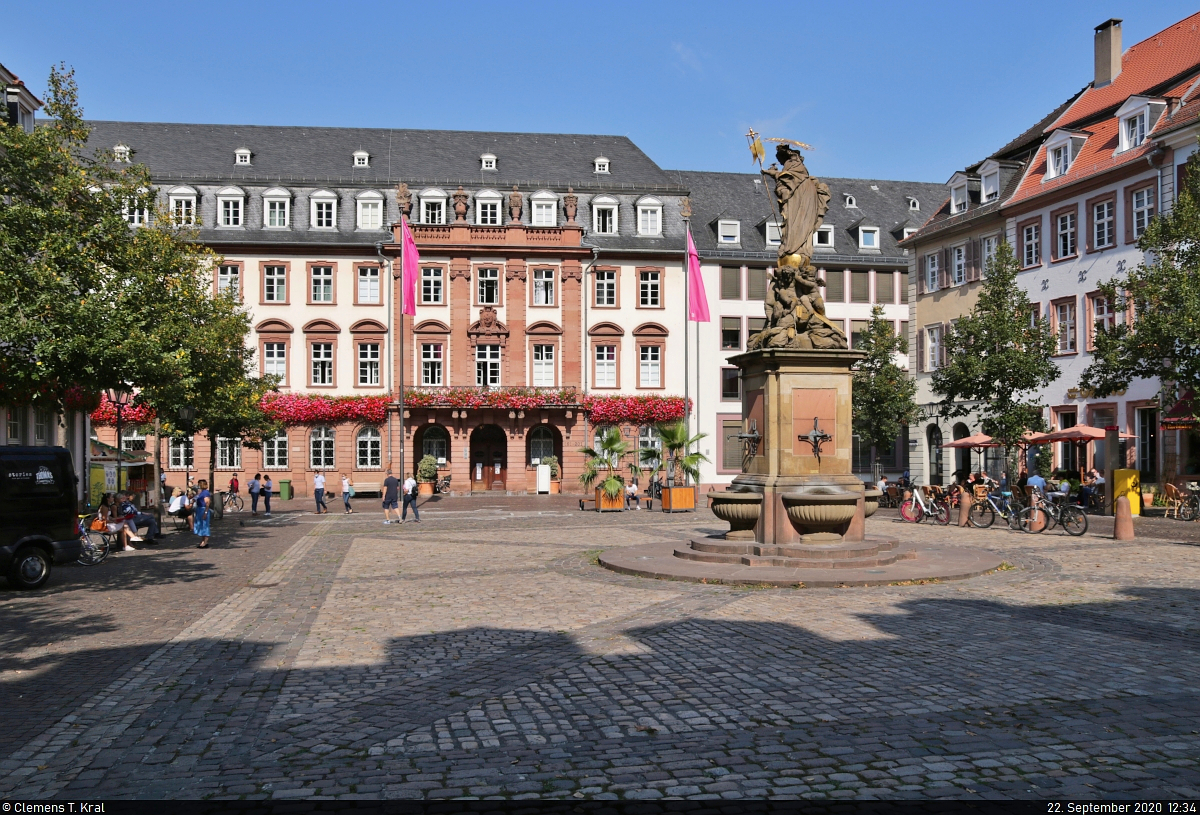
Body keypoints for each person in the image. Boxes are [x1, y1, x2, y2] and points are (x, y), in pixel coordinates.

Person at [193, 479, 212, 548]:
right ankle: (202, 541)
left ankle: (205, 542)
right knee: (201, 525)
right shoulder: (201, 492)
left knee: (205, 525)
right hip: (199, 509)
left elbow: (207, 503)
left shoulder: (206, 493)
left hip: (203, 509)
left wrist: (205, 512)